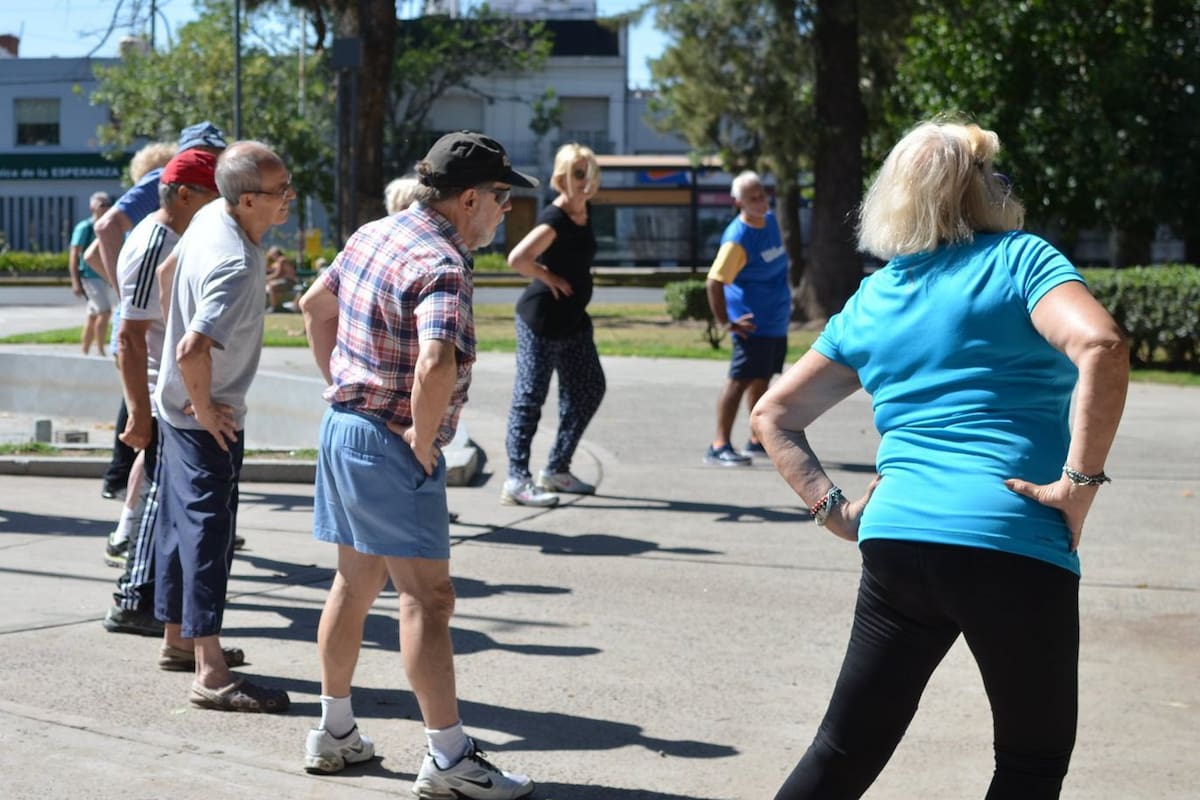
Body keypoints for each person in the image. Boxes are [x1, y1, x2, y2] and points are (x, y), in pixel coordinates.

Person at [750, 119, 1130, 800]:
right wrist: (1079, 483)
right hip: (1011, 537)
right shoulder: (1019, 259)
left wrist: (834, 512)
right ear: (977, 190)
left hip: (898, 540)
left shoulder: (878, 295)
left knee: (841, 751)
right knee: (1030, 764)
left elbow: (774, 415)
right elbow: (1100, 345)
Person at [298, 131, 536, 798]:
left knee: (354, 582)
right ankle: (449, 758)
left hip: (345, 427)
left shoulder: (374, 233)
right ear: (469, 199)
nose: (504, 210)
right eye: (501, 198)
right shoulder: (445, 264)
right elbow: (436, 362)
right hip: (392, 439)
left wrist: (344, 382)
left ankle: (335, 730)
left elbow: (314, 307)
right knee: (428, 600)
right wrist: (423, 440)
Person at [153, 140, 294, 713]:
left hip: (174, 407)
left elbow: (167, 276)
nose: (290, 198)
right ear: (245, 199)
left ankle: (180, 641)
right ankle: (211, 673)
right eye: (279, 191)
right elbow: (192, 348)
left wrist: (180, 385)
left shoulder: (210, 215)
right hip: (200, 417)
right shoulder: (236, 264)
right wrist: (206, 406)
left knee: (179, 525)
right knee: (210, 534)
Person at [102, 149, 221, 639]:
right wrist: (138, 413)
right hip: (158, 392)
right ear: (186, 194)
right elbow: (128, 337)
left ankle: (156, 606)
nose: (222, 207)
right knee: (156, 498)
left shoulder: (175, 233)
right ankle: (134, 600)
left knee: (165, 501)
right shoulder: (156, 239)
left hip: (167, 390)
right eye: (216, 197)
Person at [93, 125, 227, 501]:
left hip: (170, 369)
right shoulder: (159, 211)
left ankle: (130, 526)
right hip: (153, 363)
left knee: (162, 474)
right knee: (146, 446)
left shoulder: (191, 230)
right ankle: (126, 521)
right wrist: (130, 297)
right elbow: (105, 231)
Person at [500, 143, 605, 507]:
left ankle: (557, 469)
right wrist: (549, 277)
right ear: (561, 178)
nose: (586, 179)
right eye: (578, 173)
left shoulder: (585, 211)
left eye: (590, 171)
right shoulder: (555, 218)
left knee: (589, 388)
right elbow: (518, 258)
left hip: (574, 321)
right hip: (541, 321)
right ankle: (516, 479)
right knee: (530, 397)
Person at [704, 170, 791, 466]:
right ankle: (719, 445)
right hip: (750, 325)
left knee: (761, 379)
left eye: (761, 194)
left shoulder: (770, 220)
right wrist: (727, 322)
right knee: (738, 380)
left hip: (774, 321)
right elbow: (714, 282)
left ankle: (757, 440)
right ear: (738, 202)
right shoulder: (737, 239)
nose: (759, 201)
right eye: (752, 197)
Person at [68, 191, 115, 356]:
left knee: (93, 315)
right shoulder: (85, 228)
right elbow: (74, 254)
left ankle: (84, 352)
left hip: (103, 276)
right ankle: (101, 351)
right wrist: (75, 281)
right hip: (89, 277)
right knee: (105, 311)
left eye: (108, 204)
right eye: (102, 204)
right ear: (92, 207)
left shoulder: (109, 227)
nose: (106, 207)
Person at [265, 245, 298, 311]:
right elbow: (268, 269)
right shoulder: (277, 262)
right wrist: (267, 258)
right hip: (285, 281)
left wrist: (266, 279)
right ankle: (278, 307)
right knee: (271, 284)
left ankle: (274, 308)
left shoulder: (282, 260)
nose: (271, 255)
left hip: (289, 282)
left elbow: (278, 274)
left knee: (272, 286)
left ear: (276, 253)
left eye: (272, 254)